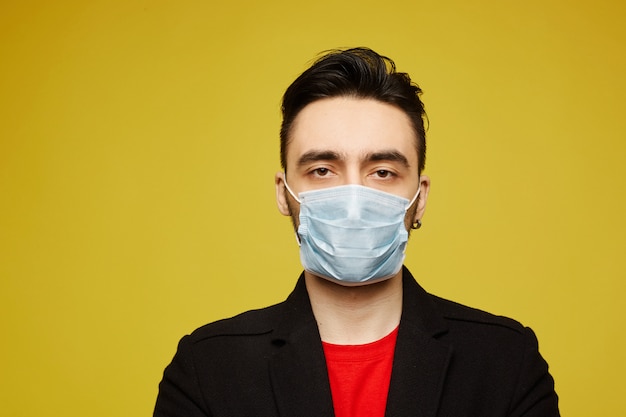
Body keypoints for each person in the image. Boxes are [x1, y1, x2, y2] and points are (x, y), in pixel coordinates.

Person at [153, 47, 560, 417]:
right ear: (284, 194)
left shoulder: (507, 362)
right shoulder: (206, 370)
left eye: (383, 172)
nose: (352, 201)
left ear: (419, 198)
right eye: (322, 170)